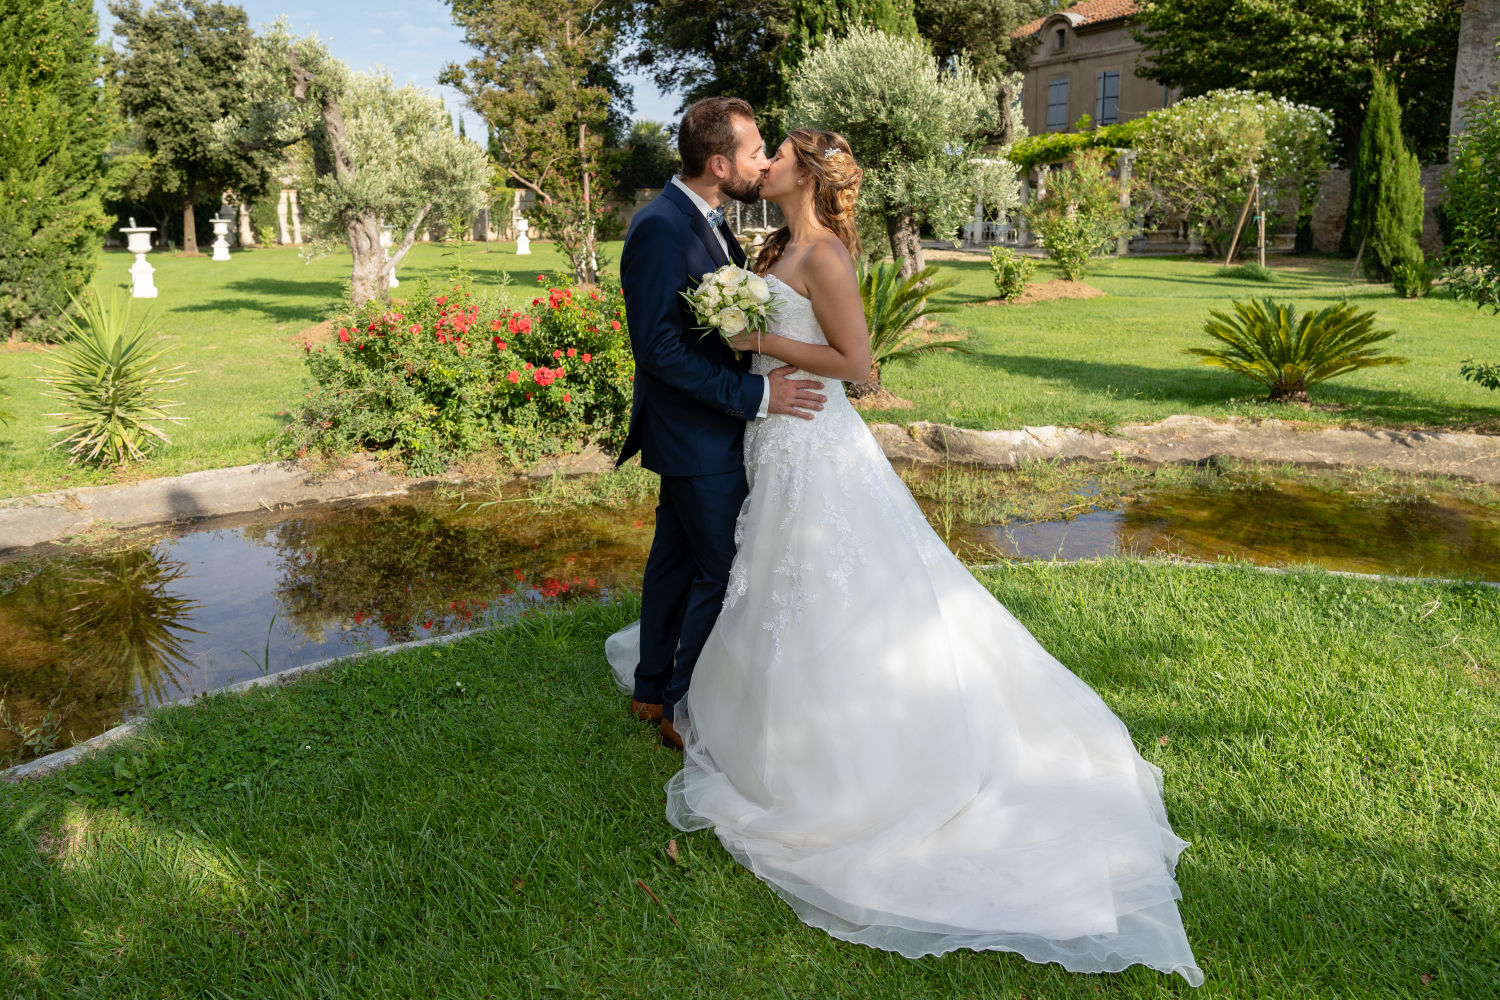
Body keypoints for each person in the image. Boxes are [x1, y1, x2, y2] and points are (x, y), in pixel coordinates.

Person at [606, 127, 1205, 986]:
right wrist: (749, 349)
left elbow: (861, 365)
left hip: (814, 439)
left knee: (827, 590)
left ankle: (842, 746)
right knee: (764, 578)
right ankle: (714, 699)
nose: (762, 162)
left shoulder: (825, 257)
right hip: (773, 440)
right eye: (756, 150)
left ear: (803, 173)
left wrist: (761, 345)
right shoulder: (774, 243)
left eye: (774, 153)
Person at [616, 97, 828, 750]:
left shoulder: (708, 219)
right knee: (723, 570)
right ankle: (685, 709)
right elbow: (659, 348)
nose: (763, 163)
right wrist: (755, 396)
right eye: (755, 151)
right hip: (694, 432)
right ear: (718, 163)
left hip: (700, 430)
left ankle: (654, 691)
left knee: (675, 563)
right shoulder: (662, 226)